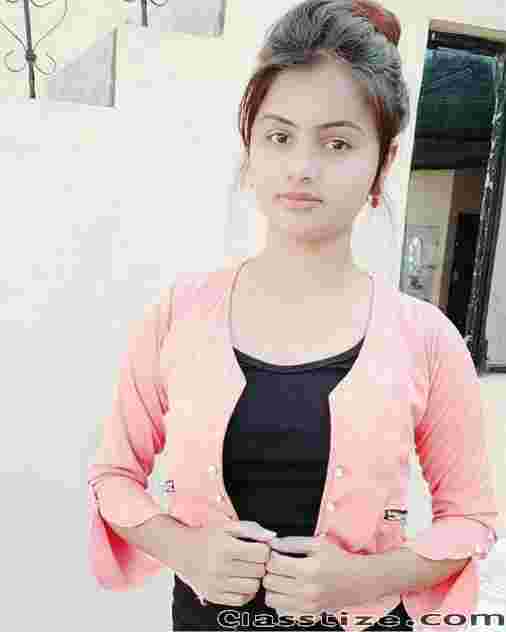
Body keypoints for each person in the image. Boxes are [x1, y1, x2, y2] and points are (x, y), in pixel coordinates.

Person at [87, 1, 499, 631]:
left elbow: (470, 519)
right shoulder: (178, 313)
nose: (302, 168)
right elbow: (115, 475)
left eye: (338, 143)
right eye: (279, 136)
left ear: (383, 163)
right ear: (250, 150)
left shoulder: (427, 339)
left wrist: (363, 579)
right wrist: (186, 550)